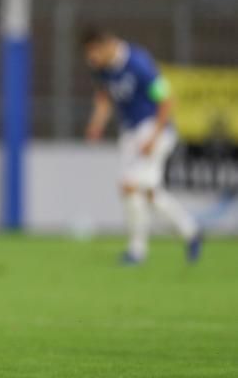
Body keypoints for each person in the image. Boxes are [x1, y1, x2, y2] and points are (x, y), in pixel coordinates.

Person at [81, 27, 202, 265]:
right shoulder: (102, 69)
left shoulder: (138, 63)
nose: (90, 59)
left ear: (105, 45)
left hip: (153, 129)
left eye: (93, 52)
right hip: (130, 133)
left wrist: (154, 137)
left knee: (129, 186)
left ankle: (137, 251)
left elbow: (166, 99)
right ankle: (191, 231)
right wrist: (96, 125)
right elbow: (104, 99)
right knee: (146, 192)